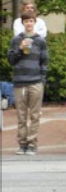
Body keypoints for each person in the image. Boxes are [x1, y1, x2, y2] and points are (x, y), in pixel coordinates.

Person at [8, 14, 48, 156]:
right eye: (26, 21)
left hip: (35, 81)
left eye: (31, 21)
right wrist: (20, 48)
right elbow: (11, 60)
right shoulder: (16, 39)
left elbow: (44, 62)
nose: (28, 23)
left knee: (35, 115)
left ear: (34, 22)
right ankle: (22, 144)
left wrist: (42, 81)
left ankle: (32, 144)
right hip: (19, 82)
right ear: (22, 23)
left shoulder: (40, 41)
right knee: (21, 115)